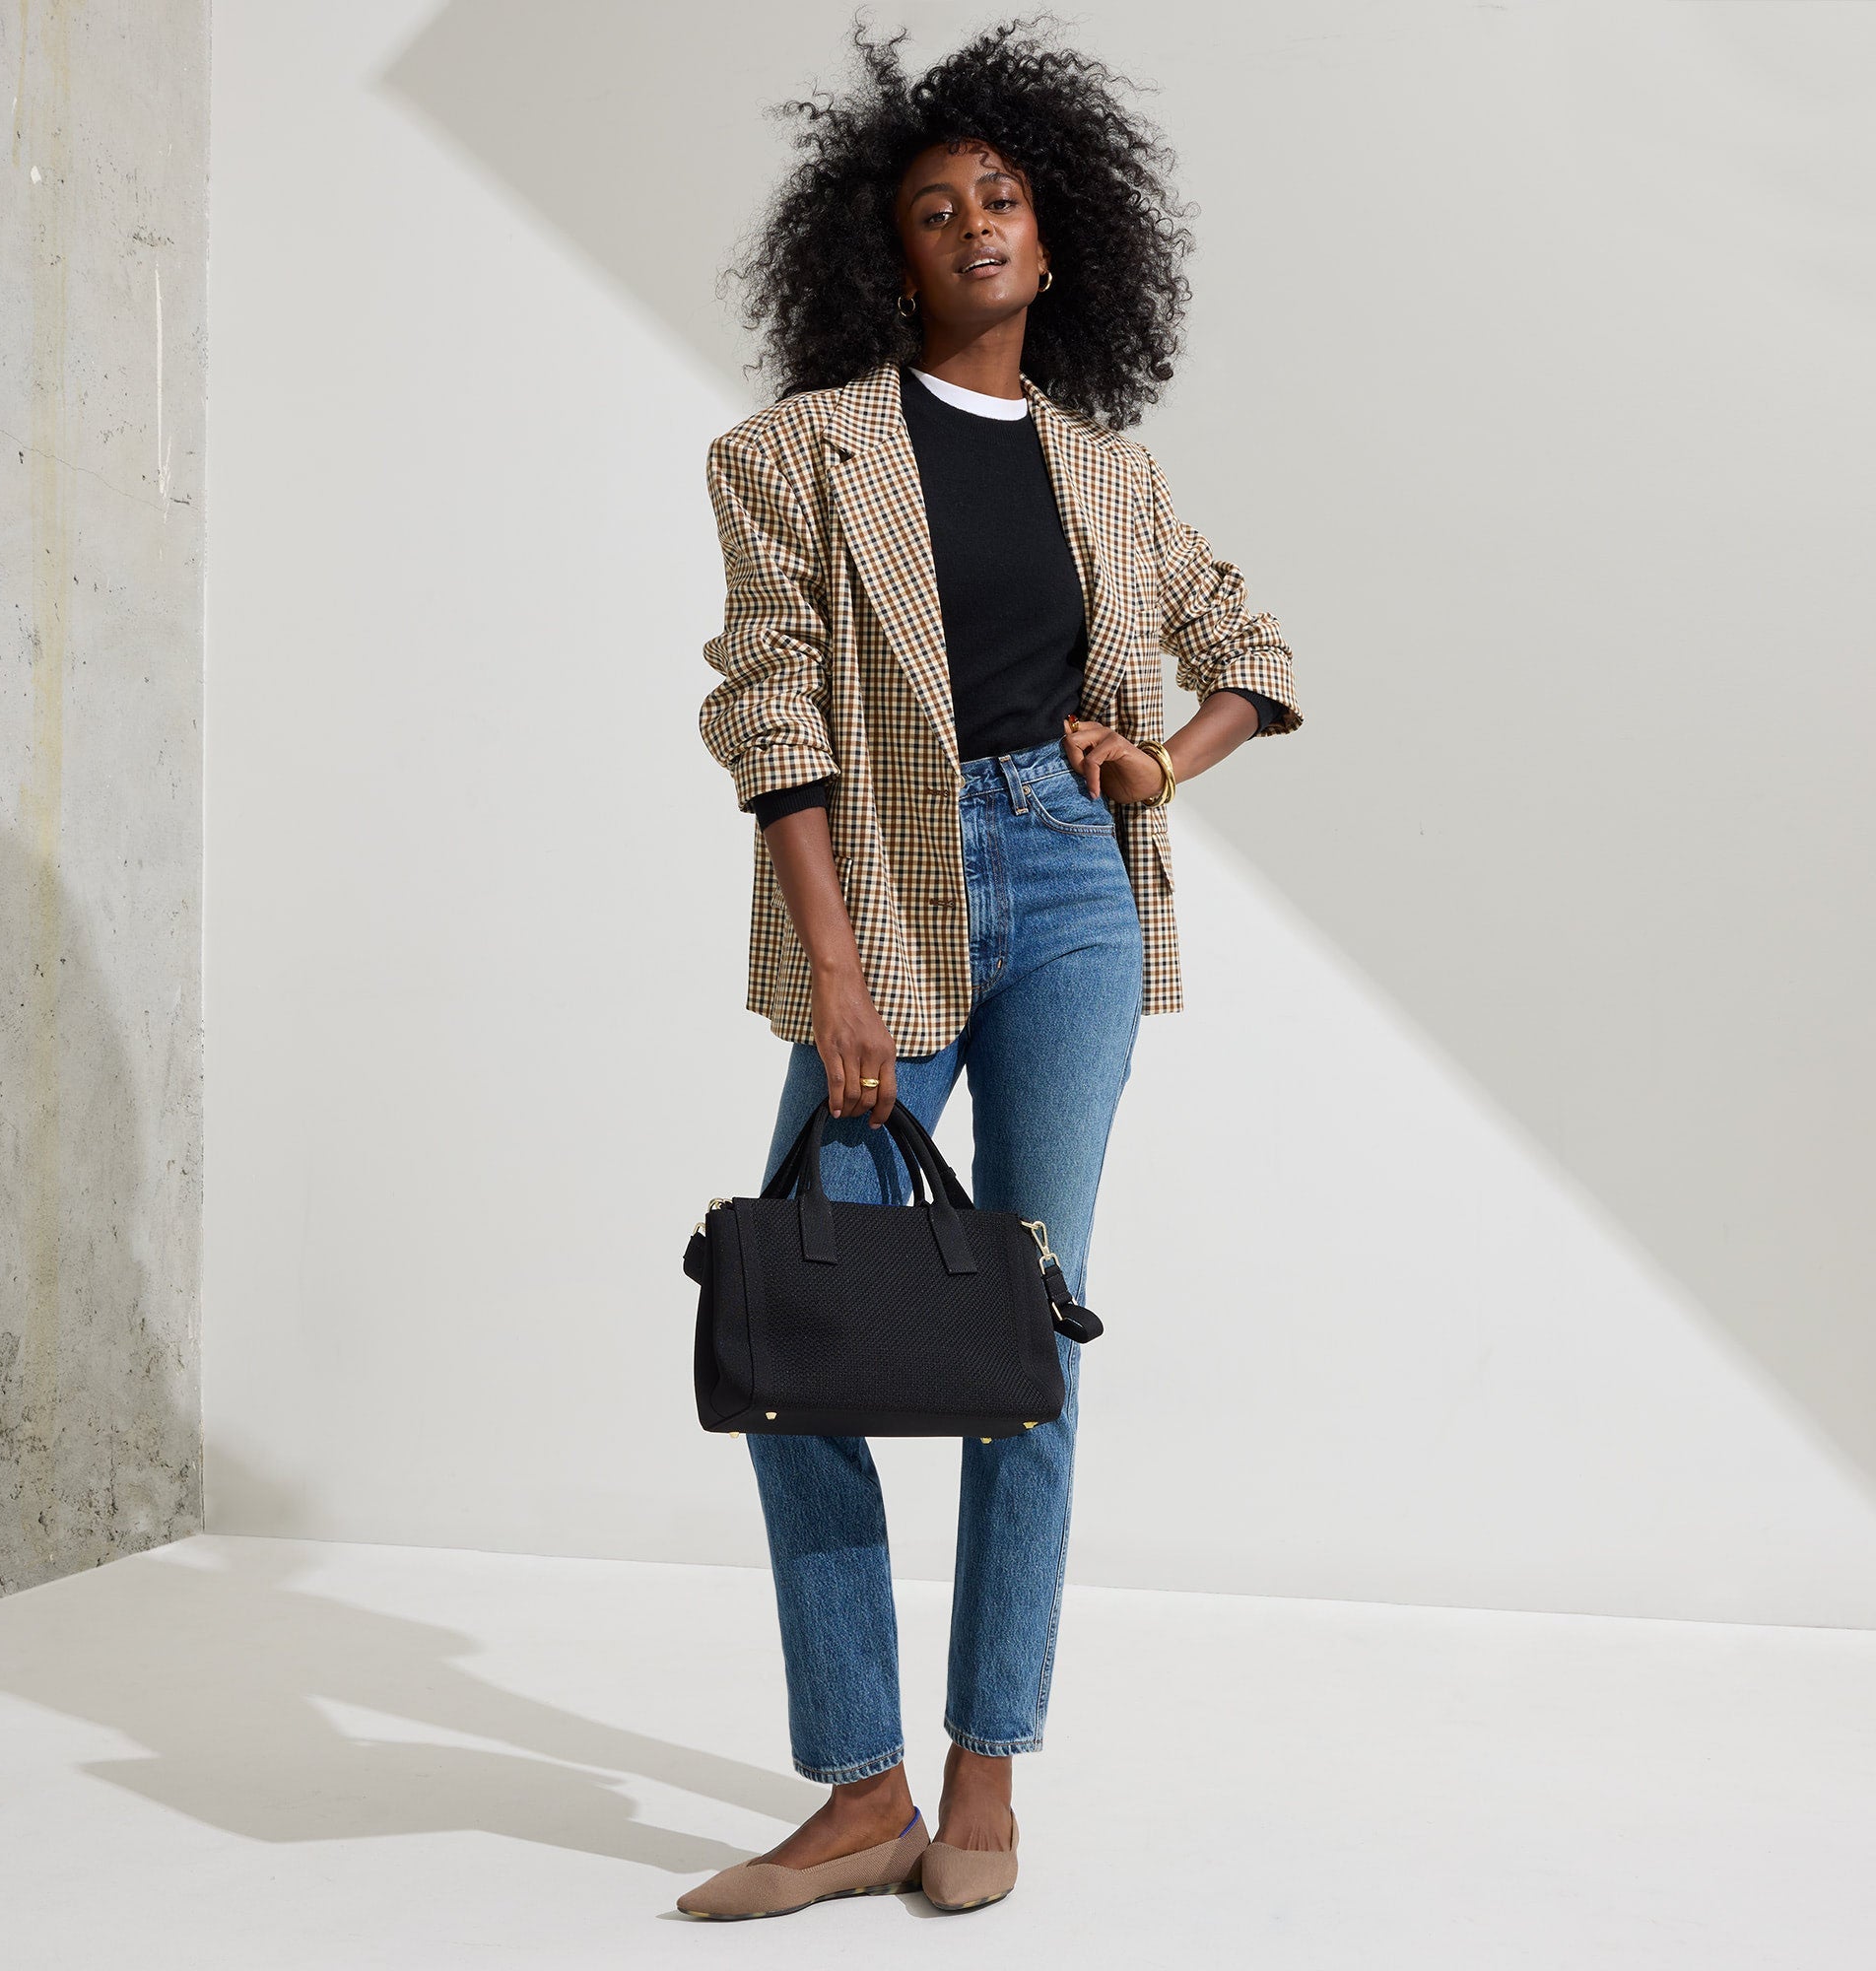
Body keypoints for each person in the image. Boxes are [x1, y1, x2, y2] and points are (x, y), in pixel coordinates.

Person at [678, 14, 1302, 1921]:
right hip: (885, 887)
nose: (976, 226)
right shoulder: (792, 454)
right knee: (796, 1318)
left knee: (1033, 1330)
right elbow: (769, 707)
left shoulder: (1110, 475)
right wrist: (834, 970)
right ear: (888, 251)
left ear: (1056, 231)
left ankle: (985, 1776)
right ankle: (859, 1785)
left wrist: (1159, 762)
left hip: (1073, 888)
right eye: (938, 207)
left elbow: (1254, 647)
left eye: (1004, 198)